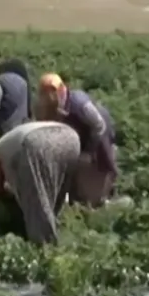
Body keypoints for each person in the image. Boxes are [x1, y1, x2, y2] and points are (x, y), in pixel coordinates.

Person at [0, 121, 81, 245]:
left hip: (36, 142)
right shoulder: (8, 145)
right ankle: (60, 228)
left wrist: (7, 196)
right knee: (55, 193)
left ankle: (45, 250)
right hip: (70, 136)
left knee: (37, 204)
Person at [35, 73, 119, 207]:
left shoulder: (80, 103)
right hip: (76, 139)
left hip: (97, 139)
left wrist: (89, 152)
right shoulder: (45, 105)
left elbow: (99, 126)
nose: (48, 96)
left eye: (52, 92)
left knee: (93, 199)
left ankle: (108, 189)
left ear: (61, 90)